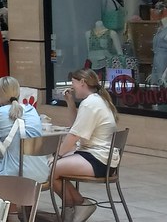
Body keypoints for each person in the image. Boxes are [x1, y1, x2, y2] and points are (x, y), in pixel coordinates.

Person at [51, 68, 119, 222]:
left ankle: (78, 205)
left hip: (98, 159)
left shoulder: (90, 104)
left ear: (82, 83)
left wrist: (58, 155)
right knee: (54, 167)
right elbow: (77, 126)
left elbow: (74, 135)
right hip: (102, 157)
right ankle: (74, 207)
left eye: (73, 83)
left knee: (50, 169)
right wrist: (70, 102)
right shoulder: (96, 100)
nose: (72, 87)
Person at [0, 76, 50, 193]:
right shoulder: (31, 110)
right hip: (42, 172)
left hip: (16, 173)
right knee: (9, 163)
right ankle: (17, 208)